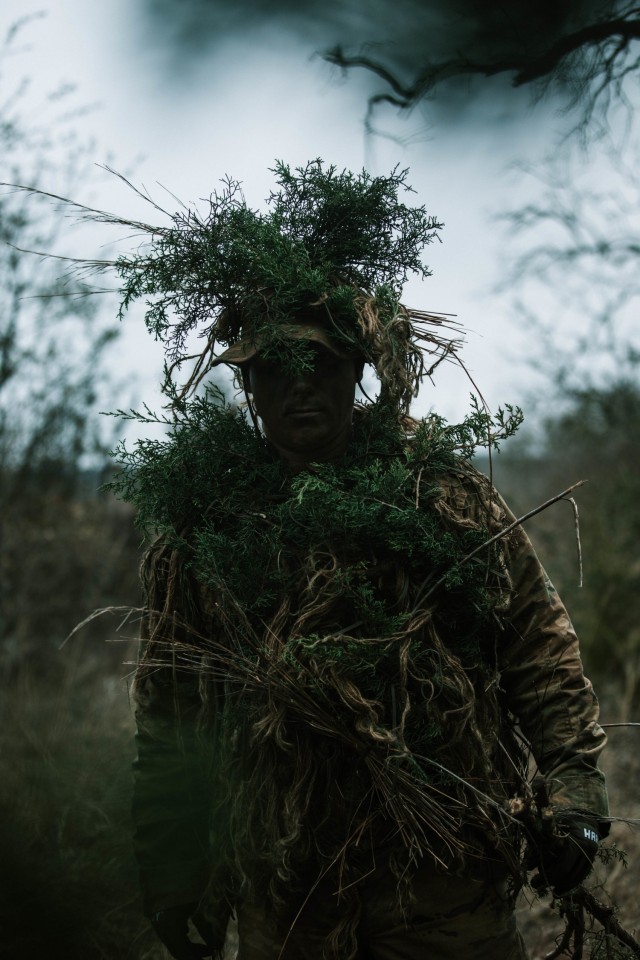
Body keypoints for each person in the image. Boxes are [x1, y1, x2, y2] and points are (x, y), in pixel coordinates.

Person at [118, 162, 609, 959]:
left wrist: (576, 789)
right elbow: (173, 712)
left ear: (359, 374)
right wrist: (173, 865)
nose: (300, 389)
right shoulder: (202, 532)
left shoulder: (443, 499)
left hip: (447, 875)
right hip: (289, 886)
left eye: (322, 366)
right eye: (276, 369)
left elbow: (535, 641)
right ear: (250, 386)